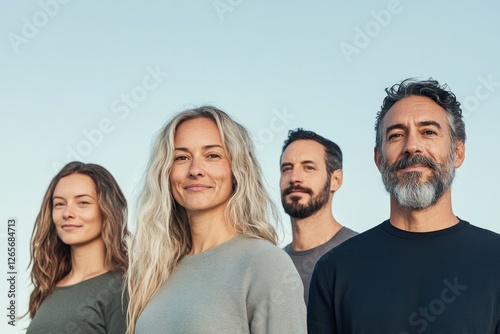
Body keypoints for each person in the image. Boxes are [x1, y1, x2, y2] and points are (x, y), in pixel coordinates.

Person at [307, 78, 500, 333]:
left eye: (428, 132)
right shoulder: (334, 270)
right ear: (378, 158)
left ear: (458, 152)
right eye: (396, 135)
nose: (412, 146)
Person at [127, 106, 306, 334]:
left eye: (212, 155)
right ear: (166, 172)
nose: (195, 170)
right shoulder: (156, 271)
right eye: (181, 157)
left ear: (236, 169)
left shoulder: (265, 263)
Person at [27, 161, 129, 334]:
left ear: (107, 210)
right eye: (59, 204)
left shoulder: (120, 289)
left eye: (82, 202)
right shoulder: (46, 290)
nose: (67, 213)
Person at [280, 128, 357, 304]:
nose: (294, 178)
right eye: (287, 169)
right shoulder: (271, 264)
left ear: (335, 180)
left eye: (308, 167)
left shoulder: (361, 254)